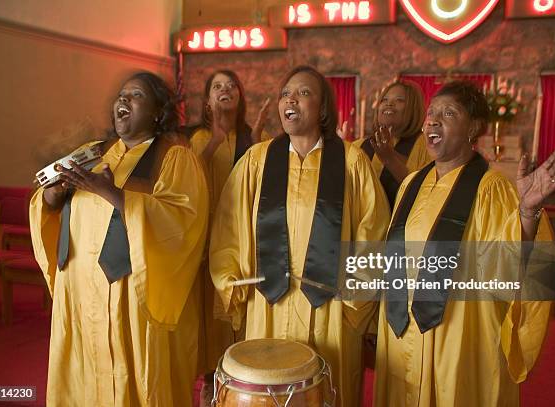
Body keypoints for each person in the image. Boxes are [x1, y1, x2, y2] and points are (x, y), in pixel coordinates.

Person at [209, 65, 391, 407]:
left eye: (304, 92)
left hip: (331, 307)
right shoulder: (258, 160)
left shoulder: (351, 162)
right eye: (285, 94)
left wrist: (357, 297)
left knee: (327, 389)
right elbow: (228, 225)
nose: (291, 99)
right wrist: (231, 282)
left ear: (323, 108)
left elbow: (373, 233)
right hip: (268, 303)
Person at [373, 80, 555, 406]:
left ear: (474, 127)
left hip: (458, 333)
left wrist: (528, 213)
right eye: (431, 113)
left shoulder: (490, 189)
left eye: (448, 113)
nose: (433, 120)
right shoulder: (411, 184)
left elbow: (506, 266)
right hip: (401, 330)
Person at [29, 72, 209, 406]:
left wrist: (114, 194)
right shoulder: (90, 153)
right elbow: (50, 207)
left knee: (136, 379)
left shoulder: (174, 158)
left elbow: (183, 223)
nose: (123, 100)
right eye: (121, 95)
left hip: (134, 295)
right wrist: (53, 195)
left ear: (157, 112)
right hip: (80, 292)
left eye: (136, 95)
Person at [189, 70, 271, 372]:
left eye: (231, 85)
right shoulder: (194, 138)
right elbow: (185, 181)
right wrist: (213, 144)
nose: (225, 89)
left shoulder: (252, 138)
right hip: (204, 241)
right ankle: (209, 383)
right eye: (217, 86)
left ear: (240, 97)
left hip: (238, 243)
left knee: (234, 312)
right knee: (206, 318)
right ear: (208, 100)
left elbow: (261, 188)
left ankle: (234, 379)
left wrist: (257, 140)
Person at [352, 80, 430, 208]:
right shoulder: (359, 146)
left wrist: (389, 158)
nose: (389, 104)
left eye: (399, 100)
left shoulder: (425, 145)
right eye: (384, 100)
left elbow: (423, 194)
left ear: (413, 108)